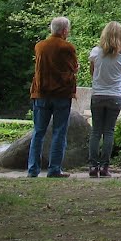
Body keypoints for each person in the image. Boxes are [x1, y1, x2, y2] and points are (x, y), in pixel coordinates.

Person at [27, 16, 79, 178]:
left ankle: (33, 170)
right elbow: (74, 68)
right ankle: (54, 169)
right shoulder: (67, 47)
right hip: (62, 94)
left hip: (41, 93)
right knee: (59, 131)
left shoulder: (40, 46)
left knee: (38, 131)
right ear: (64, 31)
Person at [87, 21, 121, 177]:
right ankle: (105, 167)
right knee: (109, 131)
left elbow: (93, 71)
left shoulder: (95, 52)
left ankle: (93, 166)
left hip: (98, 94)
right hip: (115, 96)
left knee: (96, 131)